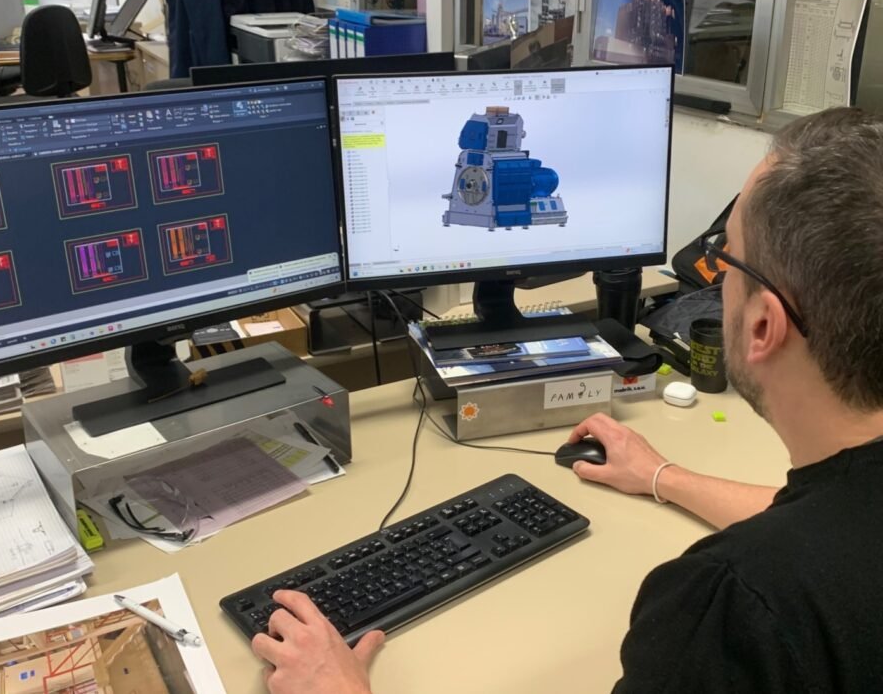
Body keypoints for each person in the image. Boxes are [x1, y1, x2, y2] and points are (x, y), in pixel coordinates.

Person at [250, 107, 883, 693]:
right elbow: (829, 526)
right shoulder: (840, 524)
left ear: (763, 325)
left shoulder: (731, 612)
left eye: (726, 258)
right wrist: (663, 476)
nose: (715, 277)